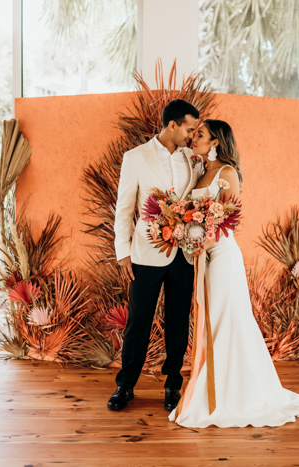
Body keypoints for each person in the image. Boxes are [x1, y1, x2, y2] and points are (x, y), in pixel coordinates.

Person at [170, 119, 299, 428]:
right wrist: (187, 235)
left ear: (215, 142)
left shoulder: (227, 173)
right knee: (214, 322)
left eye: (200, 134)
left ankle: (228, 395)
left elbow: (230, 220)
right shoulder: (201, 172)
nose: (194, 138)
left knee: (225, 320)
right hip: (203, 256)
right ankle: (216, 387)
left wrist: (200, 240)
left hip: (222, 256)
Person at [108, 99, 203, 412]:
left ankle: (173, 385)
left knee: (178, 321)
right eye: (189, 128)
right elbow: (124, 208)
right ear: (172, 125)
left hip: (183, 254)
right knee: (138, 321)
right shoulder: (135, 157)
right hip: (145, 253)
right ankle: (125, 385)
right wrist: (123, 252)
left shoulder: (194, 159)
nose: (192, 135)